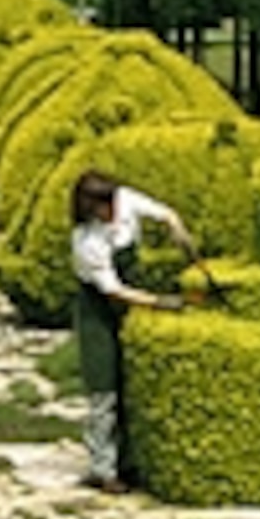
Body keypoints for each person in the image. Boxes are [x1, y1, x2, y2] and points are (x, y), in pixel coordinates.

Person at [69, 169, 192, 493]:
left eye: (112, 204)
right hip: (100, 313)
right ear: (90, 208)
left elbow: (164, 213)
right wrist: (159, 302)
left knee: (132, 384)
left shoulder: (123, 200)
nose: (113, 212)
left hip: (131, 302)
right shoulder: (88, 240)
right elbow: (113, 289)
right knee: (104, 389)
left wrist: (177, 229)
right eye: (104, 207)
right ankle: (103, 469)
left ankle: (129, 462)